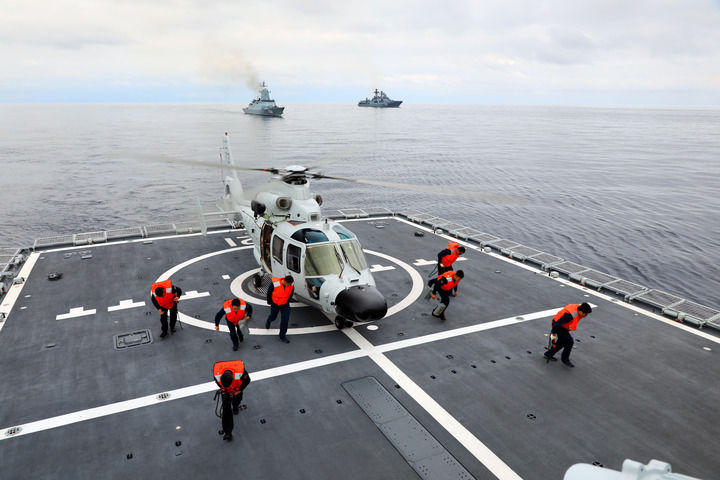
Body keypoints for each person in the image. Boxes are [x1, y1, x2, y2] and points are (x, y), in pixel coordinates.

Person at [544, 303, 593, 367]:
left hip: (562, 325)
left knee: (562, 342)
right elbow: (558, 324)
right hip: (559, 326)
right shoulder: (571, 315)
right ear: (581, 311)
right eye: (585, 314)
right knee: (569, 342)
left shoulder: (578, 307)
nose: (586, 315)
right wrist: (553, 334)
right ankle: (565, 359)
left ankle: (549, 354)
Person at [213, 360, 251, 442]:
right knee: (226, 410)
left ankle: (235, 407)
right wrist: (224, 390)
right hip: (226, 391)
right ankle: (228, 432)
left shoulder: (241, 372)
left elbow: (247, 380)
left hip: (237, 389)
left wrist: (238, 391)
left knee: (237, 400)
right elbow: (218, 382)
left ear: (233, 379)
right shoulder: (217, 374)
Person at [265, 275, 294, 343]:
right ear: (285, 282)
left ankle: (282, 336)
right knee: (273, 316)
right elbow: (269, 292)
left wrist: (286, 301)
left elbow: (291, 294)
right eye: (289, 284)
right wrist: (269, 301)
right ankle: (269, 320)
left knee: (285, 320)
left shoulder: (291, 286)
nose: (290, 285)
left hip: (285, 304)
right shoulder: (275, 283)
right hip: (275, 304)